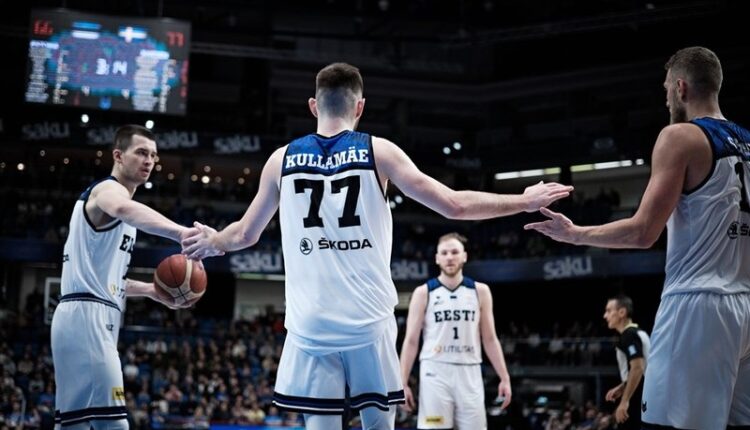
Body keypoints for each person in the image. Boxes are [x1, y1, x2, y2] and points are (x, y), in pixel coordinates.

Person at [182, 62, 573, 430]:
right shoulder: (379, 151)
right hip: (368, 324)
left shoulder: (280, 160)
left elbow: (244, 235)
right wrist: (523, 200)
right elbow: (454, 205)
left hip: (310, 327)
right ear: (360, 107)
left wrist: (213, 241)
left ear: (314, 105)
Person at [525, 46, 750, 429]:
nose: (666, 99)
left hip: (697, 304)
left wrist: (574, 234)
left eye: (666, 89)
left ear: (680, 88)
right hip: (745, 303)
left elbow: (643, 232)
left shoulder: (680, 137)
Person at [51, 125, 198, 429]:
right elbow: (122, 207)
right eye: (141, 153)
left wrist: (151, 290)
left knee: (73, 424)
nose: (149, 161)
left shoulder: (121, 212)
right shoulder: (108, 192)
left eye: (153, 156)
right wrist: (182, 233)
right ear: (118, 155)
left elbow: (109, 281)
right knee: (114, 423)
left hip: (85, 313)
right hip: (87, 317)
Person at [399, 232, 511, 430]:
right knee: (434, 427)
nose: (449, 257)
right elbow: (411, 341)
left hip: (470, 370)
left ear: (464, 256)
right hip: (435, 371)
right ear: (437, 258)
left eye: (454, 252)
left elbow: (490, 338)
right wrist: (402, 382)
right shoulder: (423, 292)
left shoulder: (480, 291)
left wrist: (504, 377)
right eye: (444, 253)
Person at [602, 295, 649, 429]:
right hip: (644, 394)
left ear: (622, 312)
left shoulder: (629, 335)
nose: (605, 316)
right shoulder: (638, 332)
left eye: (609, 311)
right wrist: (623, 386)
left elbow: (638, 368)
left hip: (639, 397)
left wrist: (624, 401)